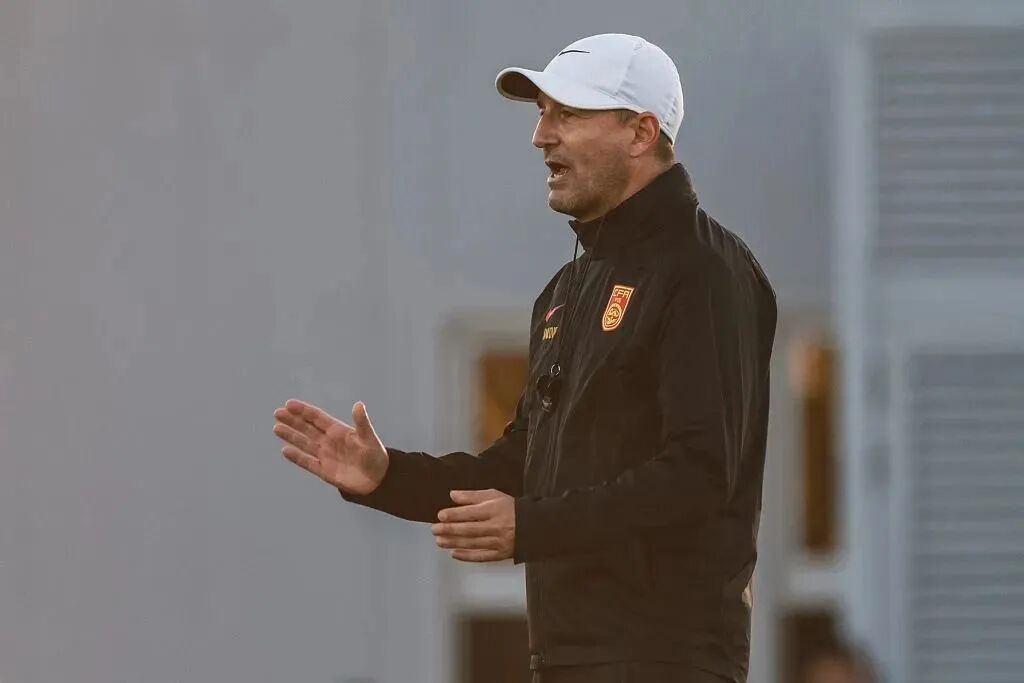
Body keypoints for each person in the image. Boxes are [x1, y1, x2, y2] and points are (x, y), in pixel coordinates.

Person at [273, 33, 777, 683]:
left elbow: (700, 475)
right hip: (566, 659)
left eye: (568, 114)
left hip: (665, 660)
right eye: (541, 113)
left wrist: (532, 526)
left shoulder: (704, 270)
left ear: (641, 132)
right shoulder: (566, 290)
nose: (541, 136)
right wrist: (388, 476)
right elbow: (524, 464)